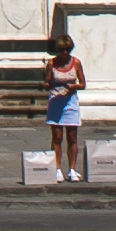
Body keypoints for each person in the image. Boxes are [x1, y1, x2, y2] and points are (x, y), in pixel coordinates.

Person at [44, 31, 89, 183]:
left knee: (72, 137)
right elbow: (47, 82)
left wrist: (72, 87)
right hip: (56, 101)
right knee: (57, 137)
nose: (64, 53)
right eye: (61, 50)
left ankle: (72, 169)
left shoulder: (75, 63)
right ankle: (57, 168)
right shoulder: (51, 64)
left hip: (70, 101)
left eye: (67, 50)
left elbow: (83, 84)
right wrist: (49, 85)